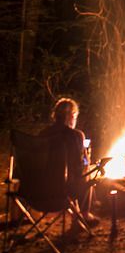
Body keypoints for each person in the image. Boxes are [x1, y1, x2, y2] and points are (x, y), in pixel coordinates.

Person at [39, 97, 99, 226]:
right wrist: (87, 160)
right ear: (72, 116)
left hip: (39, 191)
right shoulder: (76, 136)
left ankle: (78, 211)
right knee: (87, 172)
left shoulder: (43, 134)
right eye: (75, 116)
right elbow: (81, 165)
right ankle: (84, 214)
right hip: (63, 191)